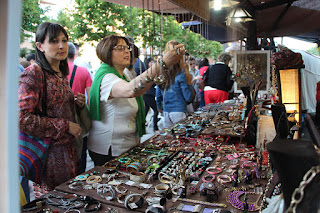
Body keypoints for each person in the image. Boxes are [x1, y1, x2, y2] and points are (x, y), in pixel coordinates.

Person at [88, 35, 185, 166]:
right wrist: (162, 64)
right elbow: (131, 89)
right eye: (120, 48)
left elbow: (140, 89)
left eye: (127, 47)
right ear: (107, 52)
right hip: (110, 149)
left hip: (126, 145)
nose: (127, 51)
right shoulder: (106, 77)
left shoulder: (125, 74)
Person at [19, 22, 85, 191]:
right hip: (49, 157)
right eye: (54, 41)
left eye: (64, 40)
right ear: (40, 46)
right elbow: (22, 118)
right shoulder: (34, 73)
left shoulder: (60, 73)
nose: (62, 46)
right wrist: (64, 126)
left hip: (69, 153)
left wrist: (76, 104)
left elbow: (55, 107)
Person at [156, 40, 194, 129]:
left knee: (169, 140)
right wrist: (189, 82)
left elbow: (158, 94)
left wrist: (159, 107)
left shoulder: (162, 73)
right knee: (181, 140)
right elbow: (188, 97)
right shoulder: (181, 74)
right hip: (179, 112)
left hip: (166, 112)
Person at [67, 42, 93, 173]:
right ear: (74, 54)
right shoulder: (83, 71)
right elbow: (91, 98)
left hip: (61, 126)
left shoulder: (54, 72)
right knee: (80, 161)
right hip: (79, 125)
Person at [143, 57, 159, 131]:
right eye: (151, 62)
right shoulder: (149, 72)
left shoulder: (149, 72)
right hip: (148, 94)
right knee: (156, 110)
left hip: (147, 94)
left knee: (146, 109)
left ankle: (142, 124)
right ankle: (155, 127)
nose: (153, 64)